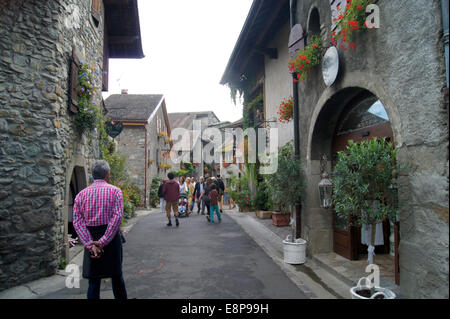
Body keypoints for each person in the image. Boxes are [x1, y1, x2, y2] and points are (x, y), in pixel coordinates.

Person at [72, 160, 127, 300]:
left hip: (91, 237)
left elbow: (78, 222)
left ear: (92, 175)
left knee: (94, 280)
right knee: (117, 277)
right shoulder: (115, 191)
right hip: (111, 239)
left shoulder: (81, 195)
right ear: (107, 174)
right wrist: (102, 242)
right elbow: (116, 219)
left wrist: (91, 244)